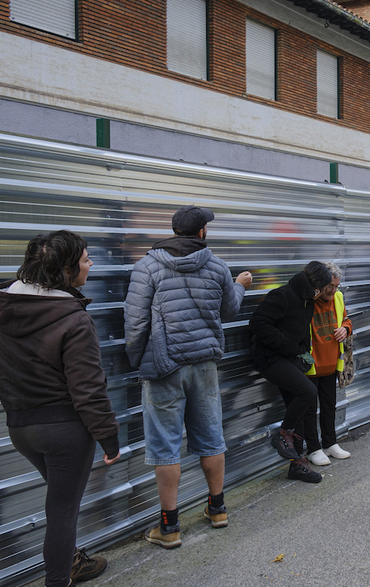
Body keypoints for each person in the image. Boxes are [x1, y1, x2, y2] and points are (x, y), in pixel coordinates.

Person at [0, 231, 121, 586]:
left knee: (62, 499)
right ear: (66, 270)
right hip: (65, 430)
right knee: (62, 512)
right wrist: (109, 438)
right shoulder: (74, 319)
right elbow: (88, 389)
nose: (90, 264)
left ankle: (72, 559)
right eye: (85, 260)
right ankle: (60, 577)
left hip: (21, 429)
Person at [125, 206, 252, 548]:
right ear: (201, 233)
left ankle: (169, 528)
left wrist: (140, 360)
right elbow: (230, 310)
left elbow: (135, 322)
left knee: (165, 444)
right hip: (205, 364)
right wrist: (240, 286)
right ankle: (218, 508)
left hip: (164, 366)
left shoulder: (148, 266)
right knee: (211, 435)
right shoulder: (216, 266)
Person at [250, 261, 333, 482]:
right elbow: (257, 322)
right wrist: (287, 345)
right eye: (324, 289)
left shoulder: (308, 302)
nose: (324, 293)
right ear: (316, 287)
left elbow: (303, 330)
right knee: (308, 392)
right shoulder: (283, 295)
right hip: (269, 358)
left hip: (290, 358)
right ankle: (282, 435)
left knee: (298, 408)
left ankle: (296, 465)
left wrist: (302, 352)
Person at [304, 262, 353, 467]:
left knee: (329, 406)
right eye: (329, 287)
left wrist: (345, 329)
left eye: (336, 286)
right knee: (308, 409)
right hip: (311, 366)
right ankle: (313, 448)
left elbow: (347, 320)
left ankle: (330, 443)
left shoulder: (338, 298)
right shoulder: (307, 301)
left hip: (332, 363)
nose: (333, 291)